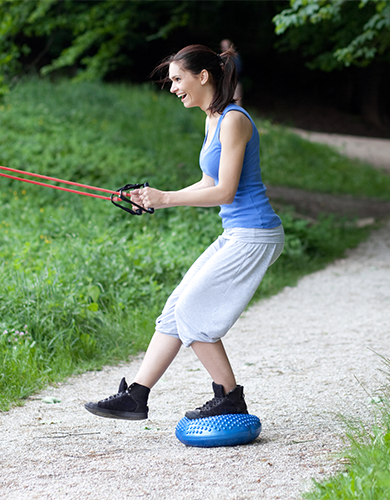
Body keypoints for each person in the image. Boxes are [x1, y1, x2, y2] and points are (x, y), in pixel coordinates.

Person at [84, 44, 284, 422]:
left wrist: (168, 198)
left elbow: (224, 191)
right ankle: (136, 396)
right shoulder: (212, 118)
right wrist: (156, 199)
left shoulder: (233, 120)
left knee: (194, 314)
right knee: (176, 309)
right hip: (238, 231)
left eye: (178, 79)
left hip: (255, 234)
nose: (173, 87)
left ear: (203, 76)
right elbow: (209, 180)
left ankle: (229, 397)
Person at [221, 39, 243, 106]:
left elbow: (239, 70)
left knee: (237, 102)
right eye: (223, 47)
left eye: (226, 46)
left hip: (235, 83)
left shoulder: (235, 56)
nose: (224, 48)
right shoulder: (222, 57)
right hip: (226, 84)